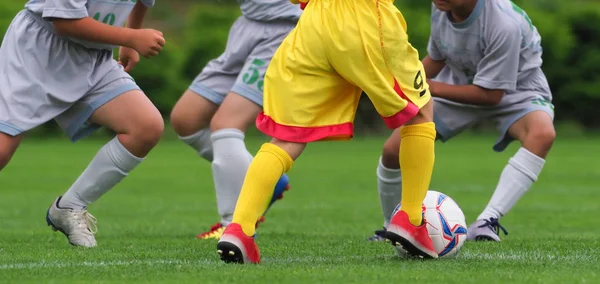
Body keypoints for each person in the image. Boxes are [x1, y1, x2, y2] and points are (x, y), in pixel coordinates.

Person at [216, 0, 440, 264]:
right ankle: (412, 219)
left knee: (287, 138)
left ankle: (240, 228)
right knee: (420, 112)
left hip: (312, 24)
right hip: (362, 16)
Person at [369, 0, 555, 243]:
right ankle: (393, 227)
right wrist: (402, 83)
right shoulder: (442, 6)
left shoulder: (504, 25)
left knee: (542, 134)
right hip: (457, 81)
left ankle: (486, 222)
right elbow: (437, 58)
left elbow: (491, 95)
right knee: (393, 150)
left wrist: (430, 88)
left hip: (517, 91)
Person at [0, 0, 166, 247]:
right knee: (3, 148)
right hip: (37, 51)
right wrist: (131, 37)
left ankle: (69, 207)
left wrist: (128, 42)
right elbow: (64, 22)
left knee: (145, 126)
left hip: (92, 56)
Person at [169, 0, 301, 240]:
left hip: (284, 29)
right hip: (248, 24)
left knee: (225, 124)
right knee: (185, 118)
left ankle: (235, 225)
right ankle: (265, 178)